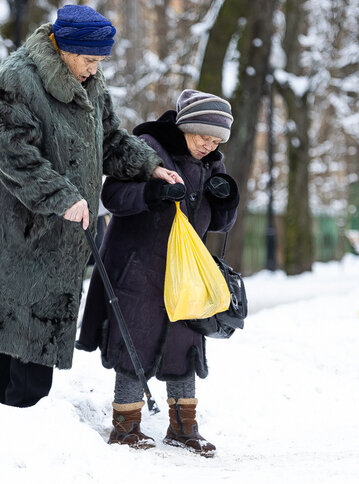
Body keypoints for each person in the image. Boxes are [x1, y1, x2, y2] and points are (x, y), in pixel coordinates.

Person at [0, 4, 182, 409]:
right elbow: (11, 151)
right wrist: (61, 196)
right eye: (90, 59)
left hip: (62, 235)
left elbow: (109, 139)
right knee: (29, 341)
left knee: (14, 345)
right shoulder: (19, 79)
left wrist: (151, 167)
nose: (95, 69)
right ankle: (22, 431)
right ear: (64, 47)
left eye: (100, 61)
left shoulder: (87, 82)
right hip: (21, 231)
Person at [77, 90, 240, 457]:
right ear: (187, 126)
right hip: (139, 264)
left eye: (216, 141)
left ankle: (184, 427)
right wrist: (151, 194)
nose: (208, 145)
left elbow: (221, 222)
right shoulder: (148, 146)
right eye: (203, 136)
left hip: (185, 271)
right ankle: (126, 425)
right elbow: (113, 196)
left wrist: (226, 199)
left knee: (185, 340)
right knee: (134, 337)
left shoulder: (212, 161)